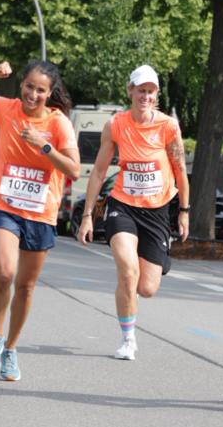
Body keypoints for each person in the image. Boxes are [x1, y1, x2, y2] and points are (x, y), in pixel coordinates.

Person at [0, 60, 80, 382]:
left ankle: (11, 348)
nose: (33, 94)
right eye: (29, 86)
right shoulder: (4, 108)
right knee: (6, 273)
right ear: (21, 84)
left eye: (41, 90)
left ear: (50, 93)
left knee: (26, 286)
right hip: (5, 206)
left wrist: (44, 145)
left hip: (41, 213)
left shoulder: (59, 123)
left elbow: (74, 170)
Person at [79, 65, 189, 361]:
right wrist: (88, 214)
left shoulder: (168, 126)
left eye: (151, 91)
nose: (146, 96)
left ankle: (130, 287)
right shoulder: (115, 125)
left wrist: (184, 211)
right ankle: (128, 339)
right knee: (128, 271)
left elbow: (180, 170)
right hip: (123, 205)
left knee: (147, 288)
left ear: (157, 94)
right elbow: (100, 171)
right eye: (141, 90)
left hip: (157, 210)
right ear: (130, 91)